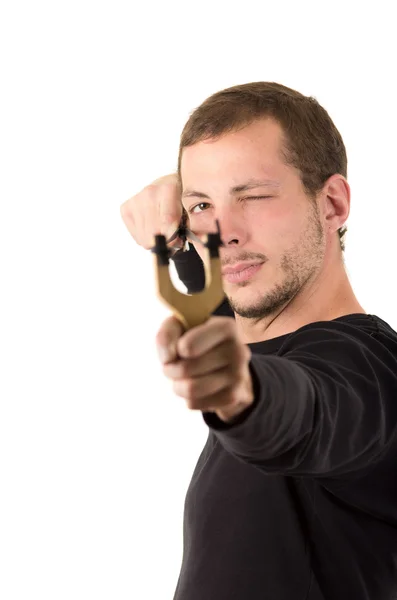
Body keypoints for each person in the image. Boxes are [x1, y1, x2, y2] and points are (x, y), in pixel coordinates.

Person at [120, 82, 397, 600]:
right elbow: (230, 301)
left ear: (333, 204)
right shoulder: (264, 331)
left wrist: (242, 391)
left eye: (254, 196)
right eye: (203, 205)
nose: (223, 232)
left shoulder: (371, 372)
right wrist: (178, 238)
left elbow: (307, 409)